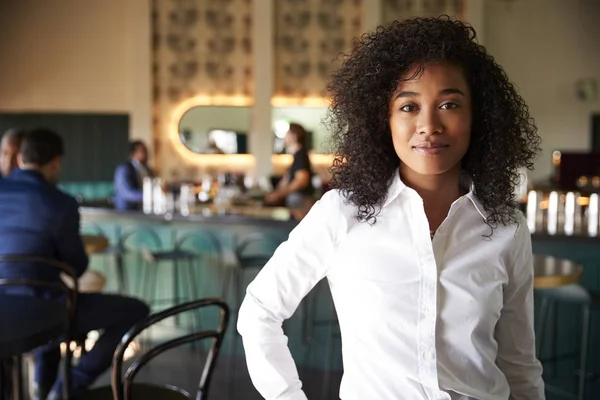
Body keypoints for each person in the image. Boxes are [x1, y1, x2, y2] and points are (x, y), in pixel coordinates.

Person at [238, 17, 544, 400]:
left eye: (449, 104)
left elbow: (519, 363)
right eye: (408, 106)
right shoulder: (341, 214)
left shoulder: (507, 227)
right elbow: (260, 310)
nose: (428, 125)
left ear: (477, 116)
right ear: (382, 119)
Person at [0, 128, 149, 399]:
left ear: (20, 158)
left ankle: (38, 387)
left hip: (3, 311)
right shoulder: (62, 203)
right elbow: (76, 266)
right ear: (56, 162)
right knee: (135, 310)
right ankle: (68, 386)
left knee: (46, 310)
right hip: (45, 311)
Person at [265, 123, 314, 210]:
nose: (284, 137)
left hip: (299, 200)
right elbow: (287, 180)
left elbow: (301, 181)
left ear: (294, 136)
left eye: (287, 133)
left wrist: (279, 194)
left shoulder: (300, 155)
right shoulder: (297, 156)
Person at [113, 140, 153, 211]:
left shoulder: (147, 170)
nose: (147, 154)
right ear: (133, 154)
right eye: (143, 151)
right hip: (126, 212)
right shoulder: (124, 169)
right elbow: (127, 193)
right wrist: (149, 196)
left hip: (143, 211)